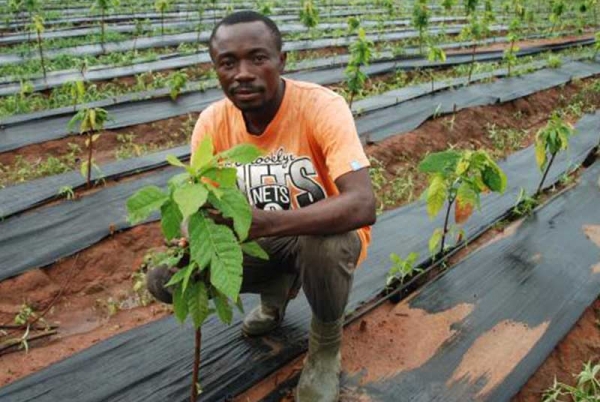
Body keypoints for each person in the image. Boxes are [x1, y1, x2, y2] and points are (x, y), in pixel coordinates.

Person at [147, 11, 376, 401]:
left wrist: (267, 223)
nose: (243, 73)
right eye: (228, 62)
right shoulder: (212, 122)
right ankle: (276, 289)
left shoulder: (321, 107)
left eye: (258, 58)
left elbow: (362, 203)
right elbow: (197, 202)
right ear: (215, 69)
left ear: (281, 60)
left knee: (325, 244)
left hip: (313, 238)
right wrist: (191, 231)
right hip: (256, 236)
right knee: (164, 279)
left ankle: (324, 348)